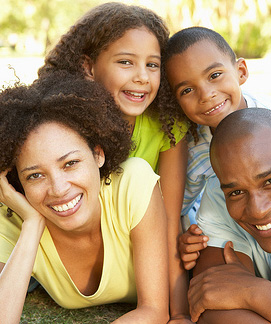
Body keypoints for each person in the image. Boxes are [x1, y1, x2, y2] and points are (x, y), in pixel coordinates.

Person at [38, 4, 190, 321]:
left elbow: (170, 221)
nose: (141, 77)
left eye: (153, 65)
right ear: (89, 67)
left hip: (143, 245)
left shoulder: (167, 128)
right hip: (78, 240)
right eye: (125, 62)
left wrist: (179, 314)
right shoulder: (63, 125)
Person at [0, 74, 169, 324]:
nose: (58, 189)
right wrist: (32, 225)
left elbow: (155, 310)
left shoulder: (132, 184)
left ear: (98, 154)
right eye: (35, 175)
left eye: (70, 163)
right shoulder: (15, 219)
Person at [164, 26, 271, 268]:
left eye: (215, 75)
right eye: (187, 90)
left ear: (241, 71)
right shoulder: (195, 152)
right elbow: (178, 208)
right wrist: (189, 237)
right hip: (242, 234)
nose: (206, 94)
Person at [188, 108, 271, 323]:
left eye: (270, 181)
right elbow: (212, 302)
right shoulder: (218, 194)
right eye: (236, 192)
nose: (258, 210)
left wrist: (256, 294)